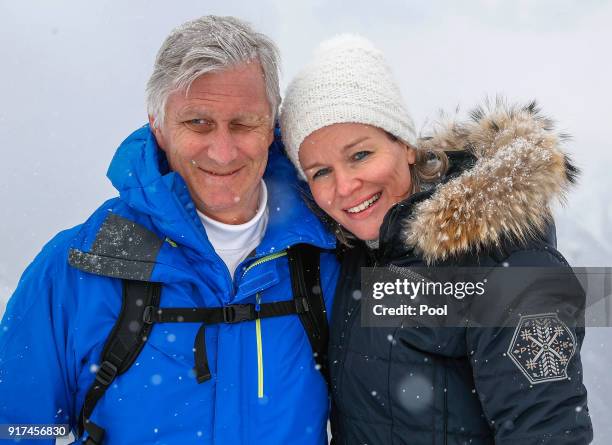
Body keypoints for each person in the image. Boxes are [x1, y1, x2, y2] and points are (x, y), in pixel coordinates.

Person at [0, 16, 339, 445]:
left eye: (243, 124)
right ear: (158, 126)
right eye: (197, 123)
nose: (222, 150)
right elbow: (17, 427)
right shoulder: (75, 268)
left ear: (271, 125)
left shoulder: (327, 255)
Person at [280, 35, 593, 444]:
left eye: (360, 155)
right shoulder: (354, 254)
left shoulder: (506, 263)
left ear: (406, 146)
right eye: (320, 171)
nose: (345, 185)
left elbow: (548, 431)